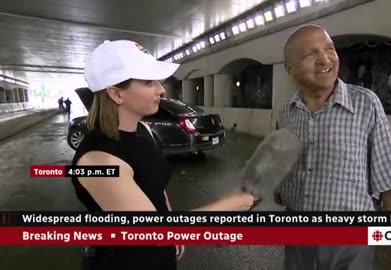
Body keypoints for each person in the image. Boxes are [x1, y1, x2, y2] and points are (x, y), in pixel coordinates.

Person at [71, 40, 257, 270]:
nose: (162, 89)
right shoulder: (97, 161)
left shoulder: (143, 130)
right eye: (149, 82)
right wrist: (232, 203)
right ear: (116, 93)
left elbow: (156, 187)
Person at [275, 25, 391, 270]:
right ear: (290, 68)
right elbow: (273, 172)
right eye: (310, 54)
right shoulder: (286, 114)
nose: (325, 59)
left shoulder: (365, 104)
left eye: (330, 49)